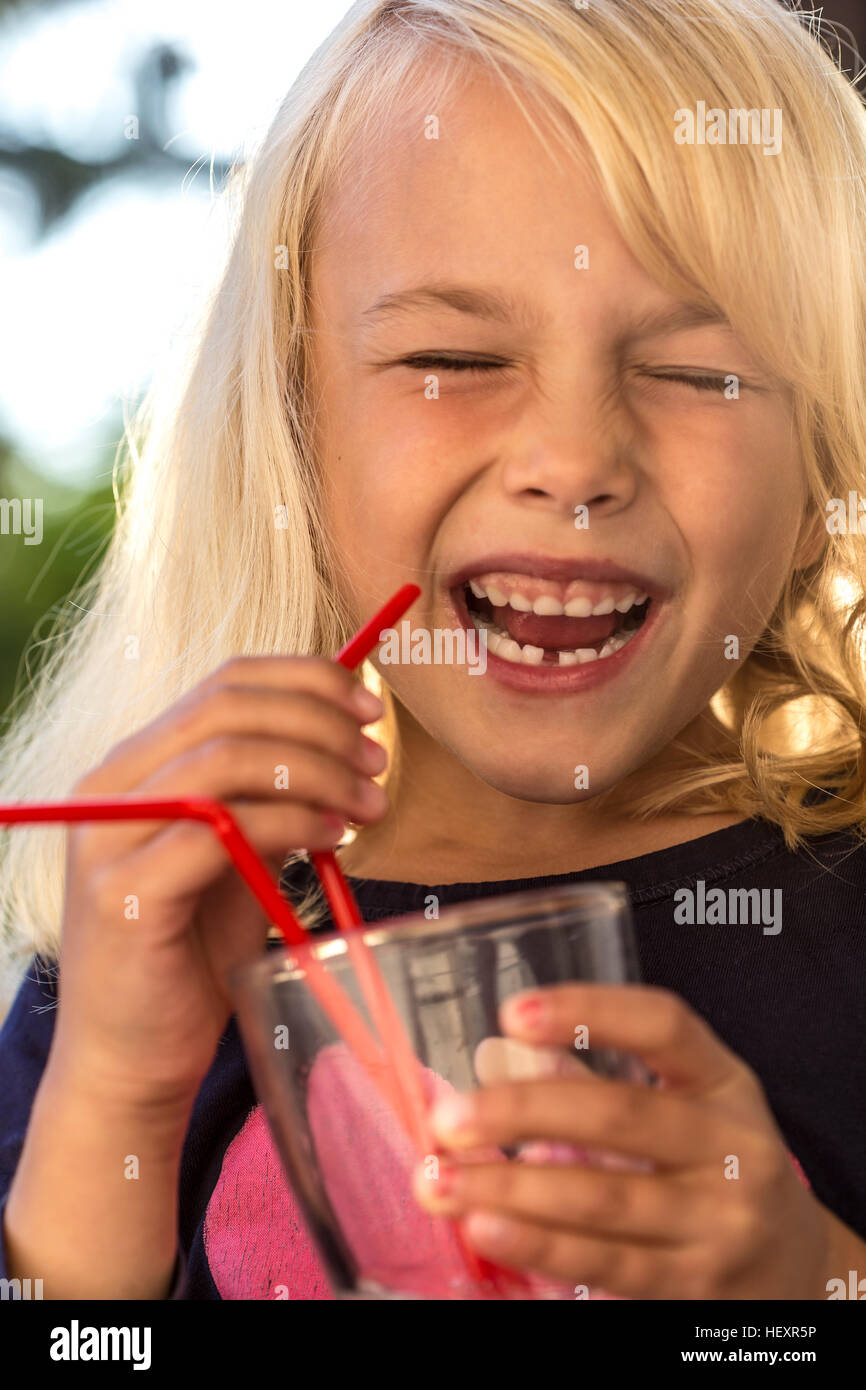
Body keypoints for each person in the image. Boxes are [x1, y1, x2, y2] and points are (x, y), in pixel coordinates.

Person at [0, 0, 864, 1301]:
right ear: (293, 437)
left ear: (817, 483)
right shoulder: (162, 929)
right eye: (453, 357)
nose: (572, 461)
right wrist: (118, 1089)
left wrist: (803, 1287)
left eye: (699, 373)